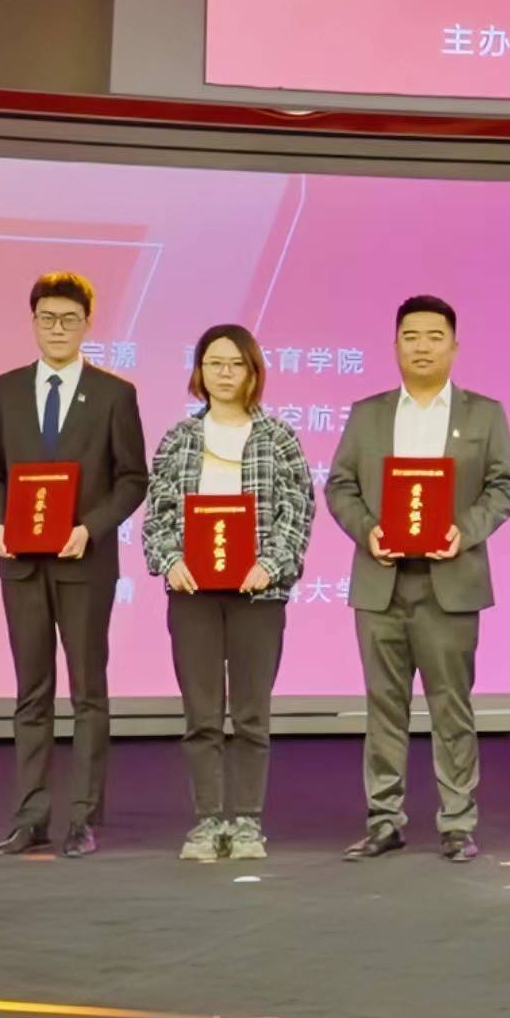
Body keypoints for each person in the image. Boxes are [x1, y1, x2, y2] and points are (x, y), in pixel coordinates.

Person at [326, 295, 510, 864]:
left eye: (435, 336)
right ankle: (384, 820)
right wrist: (369, 532)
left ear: (454, 347)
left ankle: (457, 822)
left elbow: (504, 486)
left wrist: (465, 531)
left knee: (450, 706)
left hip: (449, 582)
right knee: (383, 706)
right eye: (410, 336)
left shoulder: (484, 414)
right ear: (395, 346)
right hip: (381, 581)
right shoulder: (368, 414)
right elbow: (340, 485)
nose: (422, 346)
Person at [0, 270, 149, 859]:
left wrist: (89, 528)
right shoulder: (4, 390)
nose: (57, 328)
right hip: (22, 564)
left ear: (87, 324)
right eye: (47, 318)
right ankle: (31, 817)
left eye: (69, 319)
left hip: (84, 563)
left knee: (88, 691)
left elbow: (133, 479)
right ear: (33, 322)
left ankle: (83, 817)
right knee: (32, 691)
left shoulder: (114, 394)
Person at [141, 324, 316, 862]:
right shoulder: (179, 438)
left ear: (253, 372)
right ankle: (207, 821)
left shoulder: (278, 437)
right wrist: (170, 561)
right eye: (214, 363)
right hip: (193, 594)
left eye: (236, 364)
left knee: (251, 715)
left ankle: (247, 824)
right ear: (199, 371)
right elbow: (157, 514)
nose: (224, 373)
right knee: (201, 715)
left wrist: (270, 564)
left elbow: (298, 510)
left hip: (258, 596)